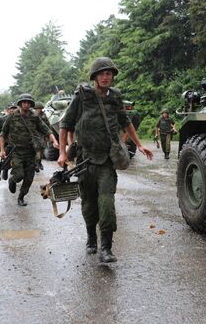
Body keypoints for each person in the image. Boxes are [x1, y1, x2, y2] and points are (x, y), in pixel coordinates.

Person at [58, 57, 153, 263]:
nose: (105, 77)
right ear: (94, 77)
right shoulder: (82, 97)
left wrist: (139, 144)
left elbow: (125, 122)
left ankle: (106, 248)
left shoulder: (115, 97)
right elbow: (65, 124)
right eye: (101, 73)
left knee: (107, 203)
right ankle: (91, 237)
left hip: (107, 161)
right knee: (89, 204)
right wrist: (63, 153)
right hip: (85, 161)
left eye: (108, 73)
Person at [0, 93, 58, 207]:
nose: (26, 104)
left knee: (29, 178)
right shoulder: (12, 116)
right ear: (20, 104)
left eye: (28, 102)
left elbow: (47, 130)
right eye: (24, 102)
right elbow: (3, 134)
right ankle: (12, 179)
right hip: (16, 151)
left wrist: (55, 141)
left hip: (31, 151)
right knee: (19, 175)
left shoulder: (35, 117)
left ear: (31, 104)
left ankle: (21, 197)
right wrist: (2, 150)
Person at [33, 101, 52, 172]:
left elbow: (48, 125)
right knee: (36, 150)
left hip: (42, 135)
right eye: (38, 108)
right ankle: (36, 164)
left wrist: (48, 135)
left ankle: (38, 162)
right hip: (34, 135)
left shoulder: (43, 115)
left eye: (40, 108)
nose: (39, 110)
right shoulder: (32, 115)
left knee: (41, 150)